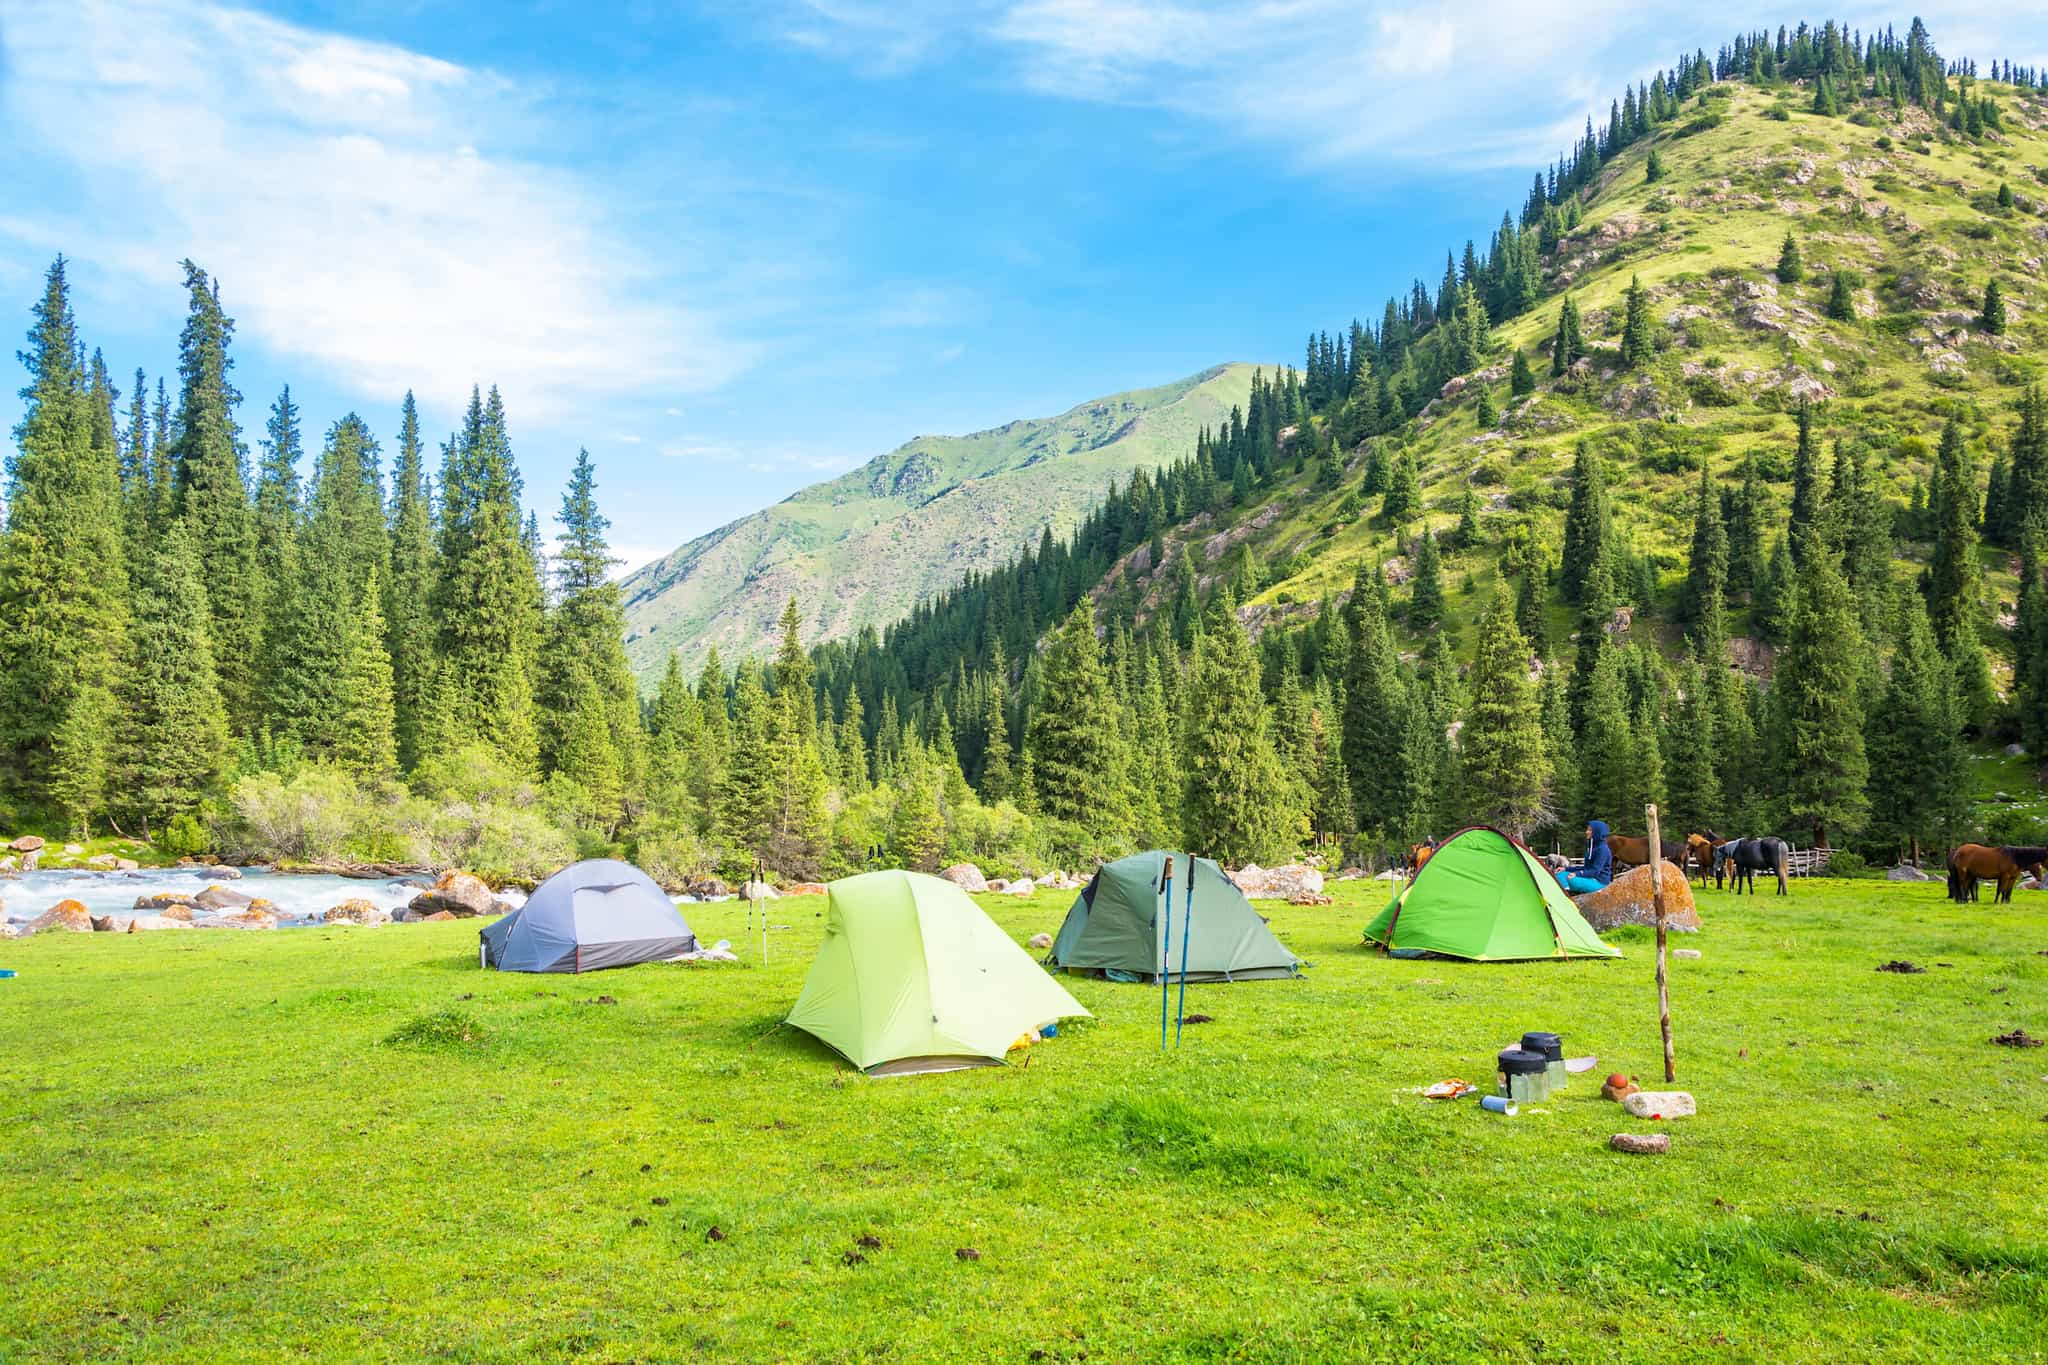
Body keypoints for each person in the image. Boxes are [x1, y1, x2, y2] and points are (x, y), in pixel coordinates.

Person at [1556, 819, 1613, 895]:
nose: (1586, 832)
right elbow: (1586, 868)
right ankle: (1566, 892)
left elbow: (1595, 871)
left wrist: (1577, 874)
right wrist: (1566, 869)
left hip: (1599, 882)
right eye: (1587, 829)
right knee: (1560, 874)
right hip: (1590, 878)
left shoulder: (1602, 849)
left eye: (1590, 830)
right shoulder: (1594, 847)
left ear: (1597, 832)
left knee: (1569, 880)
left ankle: (1565, 895)